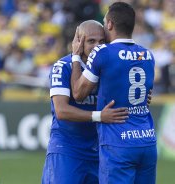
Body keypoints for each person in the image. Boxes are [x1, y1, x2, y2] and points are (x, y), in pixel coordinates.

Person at [71, 2, 157, 184]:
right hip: (147, 140)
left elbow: (78, 93)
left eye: (104, 22)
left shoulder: (103, 52)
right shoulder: (148, 55)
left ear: (109, 24)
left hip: (118, 142)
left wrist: (76, 57)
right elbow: (145, 96)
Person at [41, 20, 129, 184]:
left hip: (100, 150)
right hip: (67, 149)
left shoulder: (109, 67)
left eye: (101, 41)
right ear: (79, 42)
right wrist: (99, 116)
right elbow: (62, 111)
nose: (97, 46)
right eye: (91, 41)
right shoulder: (63, 66)